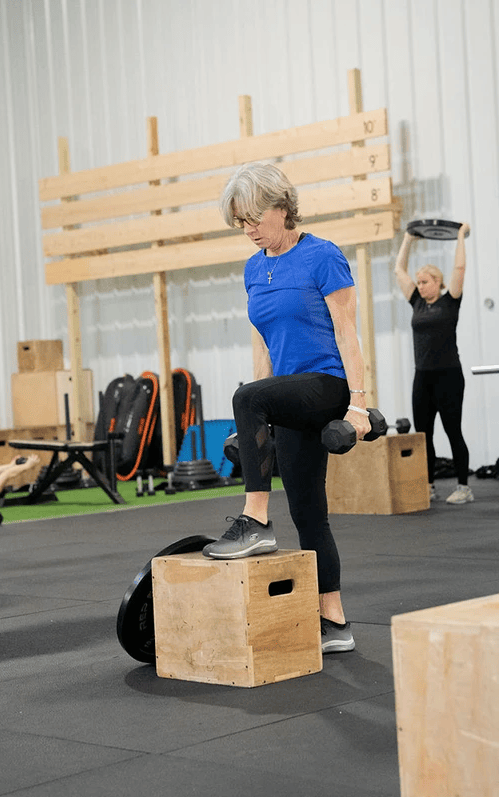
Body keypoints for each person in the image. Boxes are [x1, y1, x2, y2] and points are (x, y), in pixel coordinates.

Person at [206, 161, 372, 654]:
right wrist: (261, 413)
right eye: (241, 223)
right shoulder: (254, 269)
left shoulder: (323, 256)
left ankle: (255, 522)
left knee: (245, 396)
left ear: (281, 207)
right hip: (286, 393)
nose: (249, 230)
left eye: (254, 218)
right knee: (309, 513)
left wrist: (359, 407)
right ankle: (335, 622)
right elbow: (263, 345)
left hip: (327, 384)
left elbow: (347, 331)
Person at [393, 222, 473, 504]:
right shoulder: (416, 302)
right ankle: (428, 485)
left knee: (453, 431)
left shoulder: (451, 301)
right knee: (423, 434)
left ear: (437, 282)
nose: (420, 285)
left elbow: (460, 270)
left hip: (449, 376)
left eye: (425, 281)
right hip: (423, 377)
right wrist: (408, 239)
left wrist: (460, 236)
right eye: (419, 281)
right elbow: (398, 270)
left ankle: (464, 486)